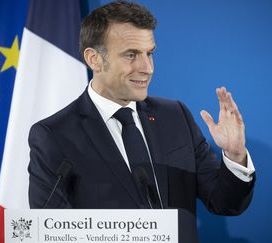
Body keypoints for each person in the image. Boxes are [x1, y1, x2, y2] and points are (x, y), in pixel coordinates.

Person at [28, 0, 255, 240]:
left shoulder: (176, 117)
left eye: (150, 53)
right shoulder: (54, 135)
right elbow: (49, 232)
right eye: (131, 55)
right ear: (94, 59)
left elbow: (226, 203)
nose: (147, 67)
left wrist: (235, 156)